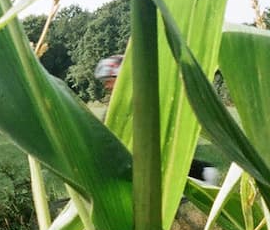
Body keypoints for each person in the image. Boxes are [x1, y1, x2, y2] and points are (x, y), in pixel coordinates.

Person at [93, 53, 219, 186]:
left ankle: (202, 175)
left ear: (125, 78)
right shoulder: (115, 110)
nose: (107, 86)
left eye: (109, 80)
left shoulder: (152, 104)